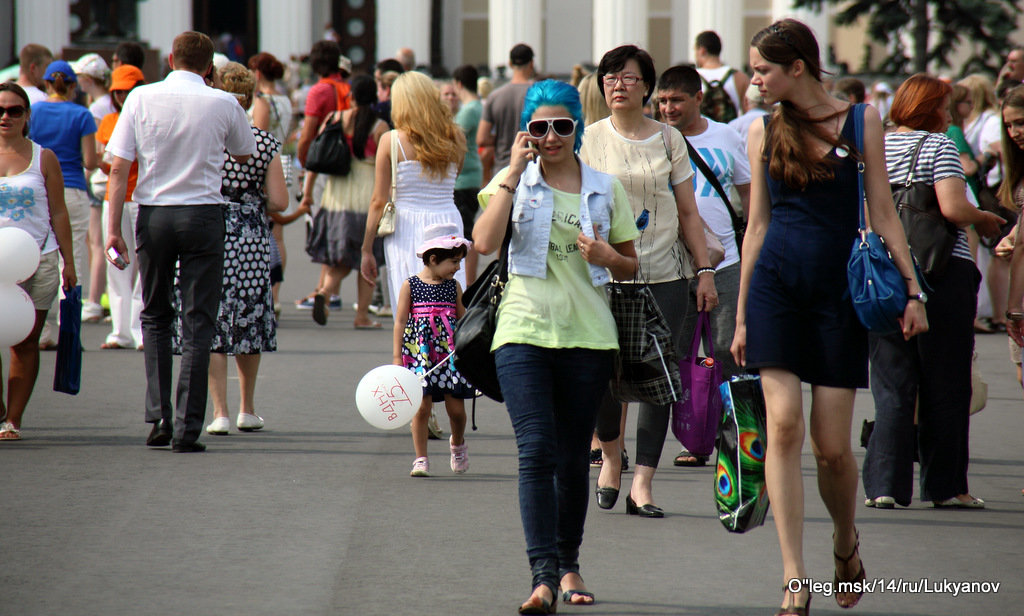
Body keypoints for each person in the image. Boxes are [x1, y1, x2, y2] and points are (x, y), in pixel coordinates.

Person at [733, 20, 928, 614]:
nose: (754, 80)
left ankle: (845, 541)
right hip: (774, 288)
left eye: (763, 69)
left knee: (833, 449)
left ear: (797, 66)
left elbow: (884, 215)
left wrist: (914, 292)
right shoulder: (762, 130)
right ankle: (795, 577)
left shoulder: (862, 119)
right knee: (784, 424)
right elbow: (756, 227)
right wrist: (741, 316)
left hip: (838, 295)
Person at [474, 79, 639, 613]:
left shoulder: (605, 187)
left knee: (571, 458)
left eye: (561, 127)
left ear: (577, 129)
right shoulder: (511, 181)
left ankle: (569, 564)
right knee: (536, 449)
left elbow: (631, 263)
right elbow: (483, 241)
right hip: (521, 332)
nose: (550, 137)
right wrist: (514, 173)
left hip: (589, 338)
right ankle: (542, 576)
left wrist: (606, 258)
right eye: (538, 128)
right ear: (527, 131)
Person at [581, 44, 718, 517]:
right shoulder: (592, 138)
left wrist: (704, 271)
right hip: (603, 273)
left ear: (647, 86)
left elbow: (687, 211)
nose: (618, 86)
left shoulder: (668, 140)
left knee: (660, 376)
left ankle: (643, 483)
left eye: (629, 78)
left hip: (664, 272)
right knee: (602, 372)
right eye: (611, 78)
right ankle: (612, 459)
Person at [105, 31, 257, 453]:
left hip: (154, 212)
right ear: (210, 67)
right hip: (204, 213)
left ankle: (158, 417)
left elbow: (119, 169)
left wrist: (113, 227)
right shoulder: (223, 101)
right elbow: (244, 152)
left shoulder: (139, 98)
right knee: (198, 319)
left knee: (154, 314)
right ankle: (190, 426)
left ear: (170, 59)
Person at [864, 74, 1004, 513]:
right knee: (944, 383)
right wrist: (983, 217)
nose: (951, 115)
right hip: (942, 275)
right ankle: (945, 486)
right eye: (946, 107)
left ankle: (884, 485)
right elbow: (951, 208)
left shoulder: (876, 145)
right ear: (929, 108)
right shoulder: (939, 145)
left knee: (891, 382)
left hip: (885, 272)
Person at [656, 64, 750, 466]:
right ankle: (694, 438)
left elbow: (749, 198)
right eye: (661, 101)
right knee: (679, 354)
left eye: (676, 100)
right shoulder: (653, 139)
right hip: (673, 266)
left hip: (726, 262)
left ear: (698, 97)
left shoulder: (727, 137)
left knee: (726, 354)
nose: (667, 108)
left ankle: (734, 440)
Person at [201, 62, 289, 435]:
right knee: (248, 318)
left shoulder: (207, 137)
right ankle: (246, 408)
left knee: (213, 317)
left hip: (210, 228)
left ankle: (218, 412)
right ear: (251, 98)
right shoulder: (263, 143)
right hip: (251, 234)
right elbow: (281, 201)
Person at [0, 83, 76, 441]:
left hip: (38, 260)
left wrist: (69, 262)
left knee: (25, 342)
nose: (6, 116)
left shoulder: (43, 157)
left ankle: (13, 420)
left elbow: (59, 211)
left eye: (15, 110)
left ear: (27, 116)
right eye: (0, 110)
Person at [360, 70, 467, 310]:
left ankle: (411, 347)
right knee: (450, 301)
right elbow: (453, 178)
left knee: (408, 302)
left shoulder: (391, 140)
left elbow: (378, 200)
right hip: (446, 218)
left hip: (407, 224)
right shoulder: (456, 136)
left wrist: (367, 249)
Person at [300, 74, 388, 328]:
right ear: (373, 97)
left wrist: (308, 191)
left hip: (336, 194)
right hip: (367, 193)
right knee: (367, 255)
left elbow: (318, 155)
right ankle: (361, 315)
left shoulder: (334, 118)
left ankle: (325, 292)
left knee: (340, 257)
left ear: (351, 96)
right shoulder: (380, 127)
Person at [395, 223, 474, 477]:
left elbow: (463, 320)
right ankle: (420, 458)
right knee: (421, 408)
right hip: (420, 355)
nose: (458, 267)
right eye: (454, 261)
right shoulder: (411, 285)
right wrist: (397, 357)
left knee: (457, 411)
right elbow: (399, 321)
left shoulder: (454, 287)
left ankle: (458, 443)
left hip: (449, 356)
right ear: (433, 259)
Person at [29, 60, 98, 348]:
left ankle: (40, 334)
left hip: (40, 187)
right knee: (73, 262)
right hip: (72, 187)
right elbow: (91, 161)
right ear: (72, 87)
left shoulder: (33, 112)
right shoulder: (82, 114)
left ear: (46, 83)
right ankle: (69, 334)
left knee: (42, 258)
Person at [294, 41, 351, 311]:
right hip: (346, 164)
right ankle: (328, 291)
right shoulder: (347, 88)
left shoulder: (319, 91)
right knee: (334, 226)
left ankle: (325, 291)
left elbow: (307, 135)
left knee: (323, 227)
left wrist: (306, 164)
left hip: (324, 166)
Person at [96, 65, 146, 351]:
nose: (124, 96)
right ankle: (120, 331)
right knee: (116, 264)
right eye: (119, 92)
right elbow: (103, 160)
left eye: (129, 90)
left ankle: (138, 330)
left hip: (140, 196)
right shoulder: (109, 120)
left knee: (141, 265)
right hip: (114, 199)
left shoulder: (145, 116)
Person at [247, 51, 295, 312]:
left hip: (269, 169)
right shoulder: (285, 99)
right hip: (285, 164)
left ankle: (270, 294)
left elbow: (259, 137)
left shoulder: (262, 100)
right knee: (278, 236)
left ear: (257, 73)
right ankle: (275, 294)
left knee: (268, 233)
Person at [73, 53, 115, 324]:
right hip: (107, 178)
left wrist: (86, 173)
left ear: (87, 79)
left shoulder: (97, 109)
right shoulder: (108, 103)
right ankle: (104, 297)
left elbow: (96, 148)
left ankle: (94, 299)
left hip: (97, 178)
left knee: (97, 243)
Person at [477, 43, 536, 175]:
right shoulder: (539, 94)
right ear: (531, 63)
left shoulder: (495, 96)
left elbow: (481, 138)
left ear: (510, 63)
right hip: (533, 167)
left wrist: (501, 138)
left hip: (503, 168)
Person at [452, 64, 483, 286]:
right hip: (472, 175)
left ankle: (467, 283)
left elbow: (452, 140)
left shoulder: (469, 110)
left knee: (465, 236)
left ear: (459, 84)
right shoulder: (478, 107)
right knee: (466, 233)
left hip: (464, 179)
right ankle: (467, 282)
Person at [694, 30, 750, 123]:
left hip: (702, 134)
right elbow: (748, 112)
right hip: (729, 132)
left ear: (702, 50)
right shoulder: (739, 77)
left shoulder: (692, 77)